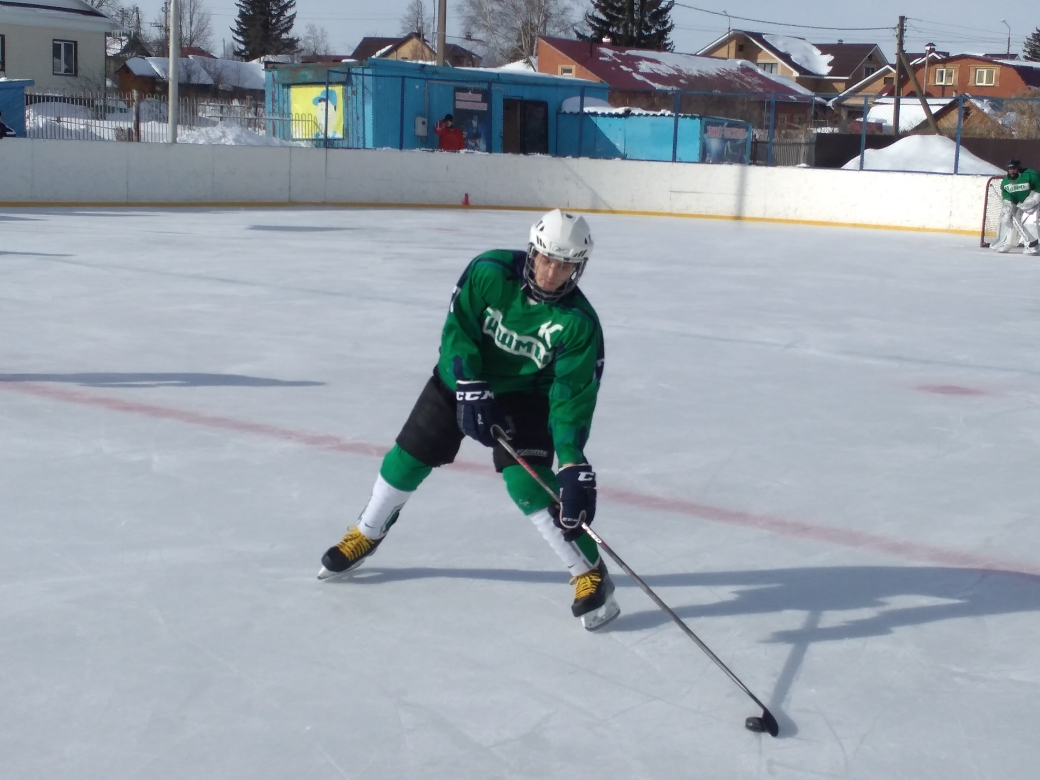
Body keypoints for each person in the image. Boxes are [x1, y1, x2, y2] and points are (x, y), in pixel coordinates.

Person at [319, 209, 618, 630]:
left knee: (528, 484)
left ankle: (590, 572)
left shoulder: (579, 324)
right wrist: (469, 383)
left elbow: (571, 397)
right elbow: (458, 330)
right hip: (460, 381)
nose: (552, 273)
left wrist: (572, 461)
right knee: (406, 459)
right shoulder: (490, 271)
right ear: (532, 251)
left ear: (578, 267)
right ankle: (368, 532)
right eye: (546, 259)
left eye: (565, 265)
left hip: (525, 397)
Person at [991, 159, 1040, 255]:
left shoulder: (1031, 175)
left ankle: (1034, 245)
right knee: (1006, 219)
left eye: (1014, 168)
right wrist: (1008, 205)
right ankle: (1007, 242)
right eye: (1009, 169)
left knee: (1029, 222)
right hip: (1021, 203)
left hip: (1035, 201)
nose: (1011, 171)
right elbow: (1007, 196)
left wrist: (1034, 200)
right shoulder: (1005, 182)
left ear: (1019, 168)